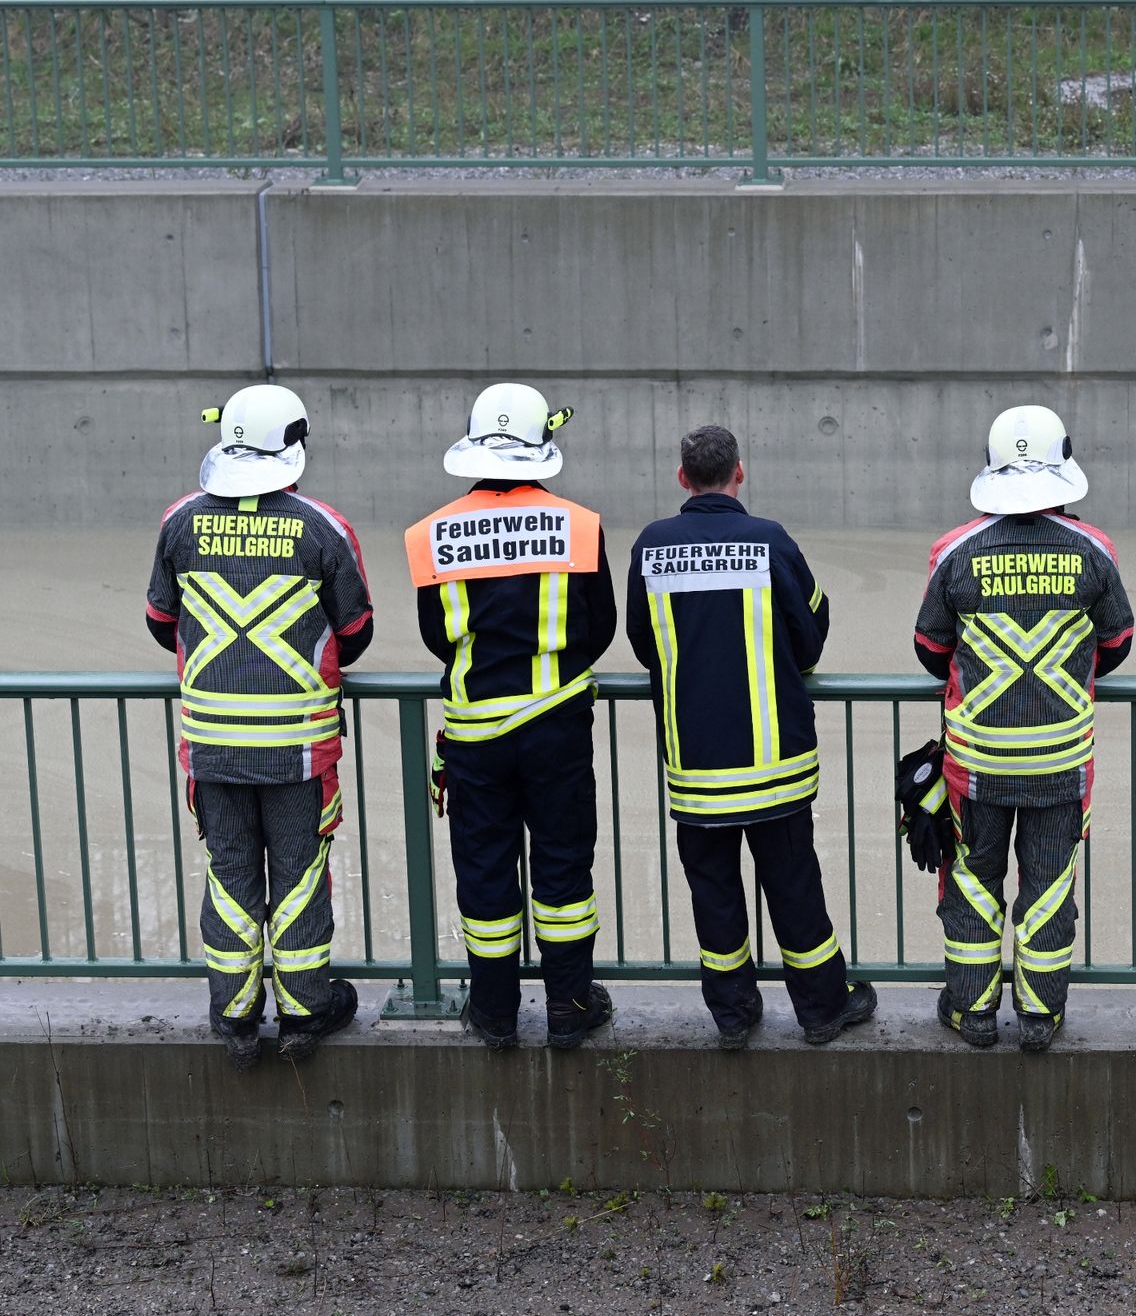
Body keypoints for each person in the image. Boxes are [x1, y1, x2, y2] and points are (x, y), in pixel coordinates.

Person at [145, 384, 374, 1069]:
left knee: (231, 875)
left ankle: (236, 1018)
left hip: (212, 745)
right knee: (300, 877)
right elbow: (356, 632)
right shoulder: (323, 527)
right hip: (299, 750)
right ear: (295, 445)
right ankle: (305, 1015)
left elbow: (161, 624)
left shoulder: (179, 521)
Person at [625, 424, 876, 1049]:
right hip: (776, 762)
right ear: (741, 471)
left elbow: (641, 641)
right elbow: (811, 631)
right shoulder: (769, 540)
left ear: (682, 478)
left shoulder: (652, 546)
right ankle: (822, 1010)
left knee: (712, 891)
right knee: (792, 883)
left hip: (696, 764)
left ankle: (733, 1016)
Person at [913, 404, 1135, 1052]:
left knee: (972, 888)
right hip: (1061, 764)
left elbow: (930, 649)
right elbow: (1118, 643)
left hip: (975, 766)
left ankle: (972, 1015)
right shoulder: (1095, 551)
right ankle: (1041, 1019)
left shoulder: (953, 552)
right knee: (1047, 891)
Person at [406, 383, 616, 1051]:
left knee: (485, 868)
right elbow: (601, 626)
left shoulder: (430, 533)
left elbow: (438, 639)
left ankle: (494, 1014)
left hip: (474, 736)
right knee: (562, 870)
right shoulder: (580, 525)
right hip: (556, 726)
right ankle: (570, 1008)